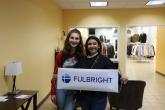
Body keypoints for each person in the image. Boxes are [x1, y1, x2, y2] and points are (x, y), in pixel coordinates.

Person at [75, 36, 127, 110]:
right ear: (86, 46)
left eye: (94, 44)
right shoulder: (82, 60)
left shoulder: (105, 60)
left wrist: (122, 76)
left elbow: (114, 73)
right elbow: (74, 74)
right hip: (84, 97)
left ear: (99, 46)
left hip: (99, 98)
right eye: (89, 44)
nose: (92, 46)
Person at [50, 28, 84, 110]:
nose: (74, 40)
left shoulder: (82, 55)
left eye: (77, 38)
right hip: (61, 88)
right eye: (72, 38)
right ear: (68, 39)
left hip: (74, 90)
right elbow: (54, 76)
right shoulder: (60, 55)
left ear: (79, 40)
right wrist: (53, 92)